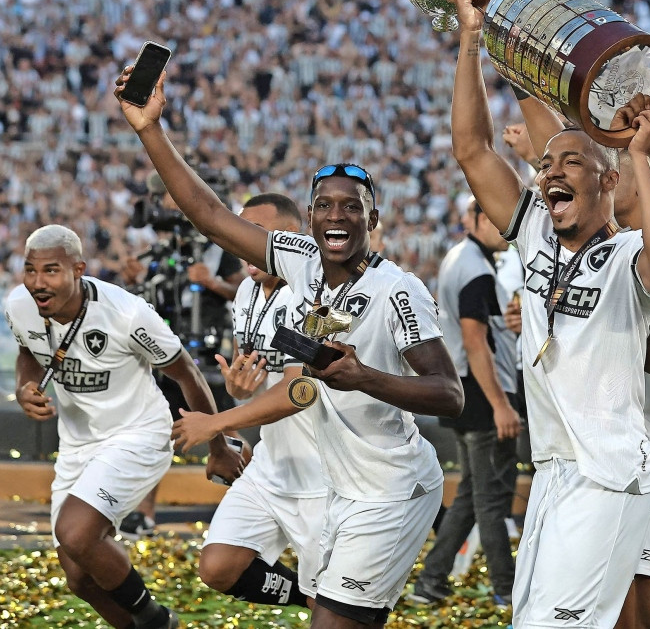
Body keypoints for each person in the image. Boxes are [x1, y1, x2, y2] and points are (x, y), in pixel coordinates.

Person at [115, 67, 463, 629]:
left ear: (372, 218)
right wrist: (150, 130)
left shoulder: (399, 291)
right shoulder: (298, 261)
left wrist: (366, 377)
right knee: (287, 595)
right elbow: (209, 216)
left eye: (352, 207)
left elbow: (449, 394)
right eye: (325, 205)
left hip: (387, 489)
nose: (337, 216)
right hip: (327, 477)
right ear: (309, 217)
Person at [449, 0, 650, 628]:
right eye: (546, 162)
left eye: (572, 162)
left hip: (609, 479)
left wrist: (640, 154)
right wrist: (475, 39)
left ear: (608, 180)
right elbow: (471, 149)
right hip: (554, 469)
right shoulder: (533, 233)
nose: (551, 170)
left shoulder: (626, 254)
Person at [5, 224, 242, 629]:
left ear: (78, 269)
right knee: (78, 573)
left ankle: (156, 621)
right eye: (30, 270)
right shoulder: (20, 305)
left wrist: (217, 445)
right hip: (79, 444)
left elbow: (186, 375)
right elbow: (29, 349)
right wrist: (25, 385)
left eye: (51, 271)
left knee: (77, 533)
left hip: (138, 434)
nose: (38, 283)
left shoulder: (126, 313)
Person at [167, 194, 321, 610]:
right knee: (219, 567)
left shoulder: (314, 296)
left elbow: (299, 391)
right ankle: (311, 599)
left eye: (253, 233)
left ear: (290, 239)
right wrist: (239, 388)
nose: (241, 242)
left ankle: (325, 602)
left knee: (344, 611)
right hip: (275, 462)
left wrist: (218, 423)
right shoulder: (246, 295)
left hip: (326, 471)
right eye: (238, 232)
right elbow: (255, 377)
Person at [412, 197, 521, 608]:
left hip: (465, 392)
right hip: (482, 394)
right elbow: (477, 343)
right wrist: (501, 405)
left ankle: (431, 583)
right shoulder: (475, 268)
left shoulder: (462, 258)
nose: (503, 228)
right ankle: (507, 592)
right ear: (472, 219)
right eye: (493, 219)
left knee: (473, 496)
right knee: (492, 500)